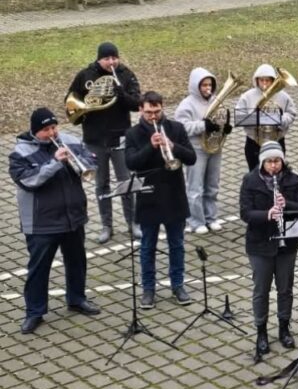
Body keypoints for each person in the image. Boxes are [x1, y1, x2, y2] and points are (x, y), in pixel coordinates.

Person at [10, 108, 101, 334]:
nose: (52, 133)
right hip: (42, 222)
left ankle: (76, 299)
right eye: (46, 130)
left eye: (54, 127)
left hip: (73, 217)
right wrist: (55, 162)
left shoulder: (69, 140)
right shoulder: (20, 153)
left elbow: (92, 161)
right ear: (35, 131)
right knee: (39, 268)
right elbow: (29, 181)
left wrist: (80, 161)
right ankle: (34, 312)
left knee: (77, 261)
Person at [125, 91, 197, 309]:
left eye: (157, 111)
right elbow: (131, 163)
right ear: (141, 110)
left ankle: (178, 285)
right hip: (149, 197)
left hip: (174, 194)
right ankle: (148, 289)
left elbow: (192, 158)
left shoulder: (176, 128)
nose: (153, 116)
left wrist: (172, 146)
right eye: (149, 112)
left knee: (177, 245)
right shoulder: (133, 134)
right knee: (148, 246)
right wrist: (151, 146)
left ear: (163, 107)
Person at [67, 42, 141, 244]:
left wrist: (122, 94)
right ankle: (106, 226)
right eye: (107, 58)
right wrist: (83, 110)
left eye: (114, 58)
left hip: (120, 137)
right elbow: (71, 100)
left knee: (126, 182)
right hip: (95, 139)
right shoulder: (85, 76)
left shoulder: (126, 75)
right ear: (99, 59)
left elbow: (137, 104)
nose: (111, 62)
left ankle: (133, 223)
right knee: (101, 184)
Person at [239, 141, 298, 358]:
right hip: (260, 244)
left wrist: (286, 204)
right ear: (262, 163)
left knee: (285, 289)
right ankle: (261, 332)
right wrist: (266, 214)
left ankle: (284, 328)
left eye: (277, 161)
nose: (274, 165)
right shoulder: (250, 180)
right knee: (261, 290)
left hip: (287, 244)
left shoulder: (293, 179)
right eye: (269, 161)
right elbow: (245, 213)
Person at [174, 67, 233, 234]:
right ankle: (196, 221)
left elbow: (220, 119)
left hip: (214, 148)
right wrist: (203, 125)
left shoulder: (216, 101)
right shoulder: (186, 104)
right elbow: (181, 127)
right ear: (196, 85)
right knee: (196, 188)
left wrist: (224, 129)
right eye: (204, 85)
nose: (208, 88)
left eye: (210, 85)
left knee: (212, 185)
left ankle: (211, 217)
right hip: (196, 150)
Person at [235, 63, 298, 171]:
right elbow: (239, 118)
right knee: (254, 173)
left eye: (267, 80)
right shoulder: (247, 96)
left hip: (277, 141)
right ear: (256, 80)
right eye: (261, 80)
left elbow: (292, 113)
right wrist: (260, 118)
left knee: (276, 172)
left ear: (273, 80)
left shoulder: (283, 96)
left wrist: (280, 120)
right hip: (254, 143)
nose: (264, 83)